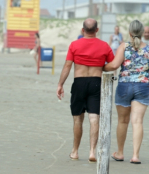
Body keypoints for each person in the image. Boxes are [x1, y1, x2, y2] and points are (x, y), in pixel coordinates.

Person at [57, 18, 114, 162]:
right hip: (96, 82)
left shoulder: (75, 45)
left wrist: (60, 84)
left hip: (79, 83)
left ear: (83, 30)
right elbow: (113, 65)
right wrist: (100, 67)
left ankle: (75, 152)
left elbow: (67, 66)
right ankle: (92, 152)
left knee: (78, 119)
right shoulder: (104, 46)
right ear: (97, 30)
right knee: (94, 118)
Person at [104, 20, 149, 164]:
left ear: (129, 32)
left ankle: (120, 153)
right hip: (143, 86)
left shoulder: (124, 46)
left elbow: (115, 65)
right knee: (138, 122)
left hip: (124, 86)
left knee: (123, 121)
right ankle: (135, 155)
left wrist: (102, 67)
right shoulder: (148, 49)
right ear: (142, 33)